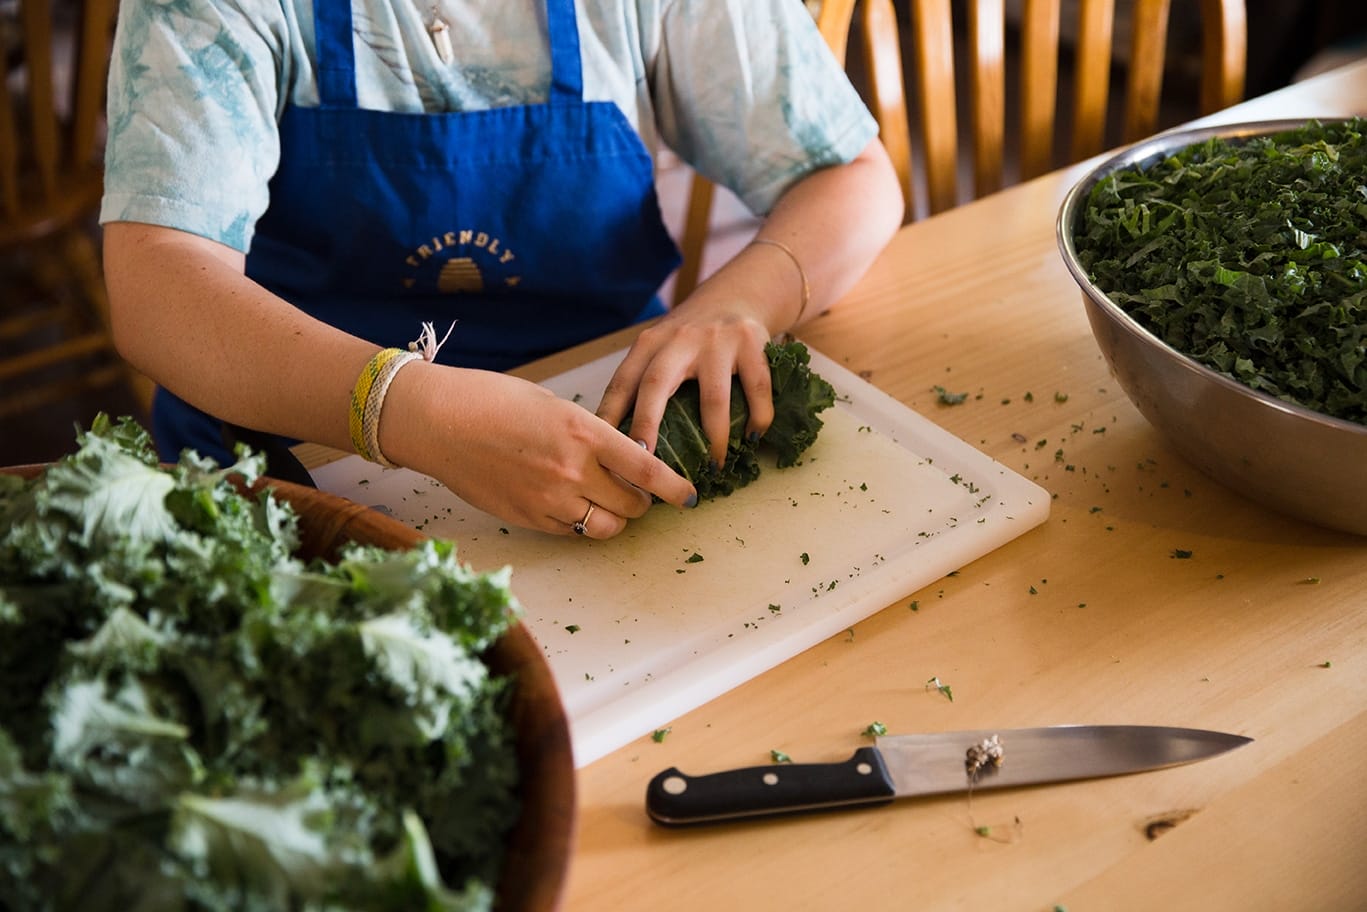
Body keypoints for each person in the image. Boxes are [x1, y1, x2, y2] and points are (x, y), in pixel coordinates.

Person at [100, 0, 904, 539]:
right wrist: (405, 409)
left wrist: (740, 301)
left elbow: (851, 179)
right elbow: (155, 282)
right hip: (286, 464)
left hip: (603, 424)